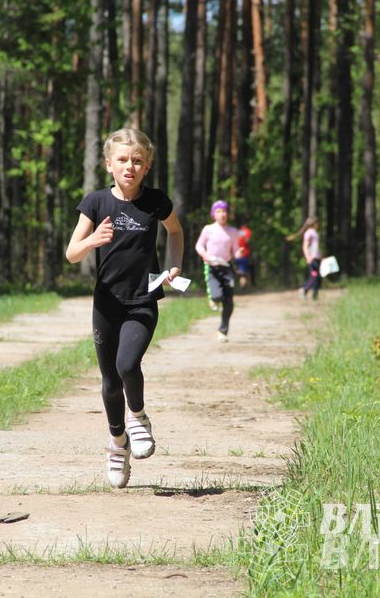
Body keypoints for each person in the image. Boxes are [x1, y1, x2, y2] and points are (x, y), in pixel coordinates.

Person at [65, 128, 184, 489]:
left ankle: (139, 417)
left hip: (143, 300)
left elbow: (175, 233)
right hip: (107, 303)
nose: (129, 166)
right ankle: (118, 445)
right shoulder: (96, 202)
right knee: (109, 381)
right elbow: (71, 254)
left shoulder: (156, 202)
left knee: (127, 364)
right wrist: (92, 240)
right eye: (122, 160)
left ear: (146, 167)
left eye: (137, 161)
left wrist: (174, 266)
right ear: (108, 164)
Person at [195, 200, 243, 342]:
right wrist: (204, 255)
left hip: (227, 267)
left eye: (224, 212)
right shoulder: (208, 229)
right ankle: (213, 299)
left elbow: (234, 251)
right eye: (219, 212)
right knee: (217, 296)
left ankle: (222, 331)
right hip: (211, 267)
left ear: (228, 214)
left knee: (229, 302)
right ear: (213, 214)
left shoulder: (233, 232)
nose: (222, 215)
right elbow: (199, 245)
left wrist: (239, 253)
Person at [287, 216, 322, 300]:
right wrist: (308, 256)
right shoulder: (309, 233)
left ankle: (315, 295)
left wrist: (321, 256)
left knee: (318, 277)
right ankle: (304, 289)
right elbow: (305, 246)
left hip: (317, 257)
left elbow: (317, 247)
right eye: (317, 223)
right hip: (312, 258)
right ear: (314, 224)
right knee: (314, 275)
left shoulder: (315, 233)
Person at [234, 217, 254, 290]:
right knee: (245, 272)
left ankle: (242, 286)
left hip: (237, 254)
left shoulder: (237, 231)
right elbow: (247, 241)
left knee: (242, 271)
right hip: (245, 254)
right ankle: (245, 287)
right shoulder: (247, 231)